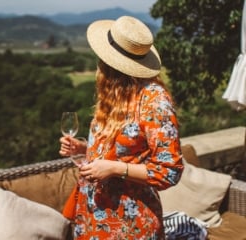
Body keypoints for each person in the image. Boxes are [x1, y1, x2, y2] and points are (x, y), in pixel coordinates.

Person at [59, 15, 184, 240]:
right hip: (93, 215)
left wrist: (114, 169)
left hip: (129, 224)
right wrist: (82, 148)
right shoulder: (113, 92)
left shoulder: (154, 100)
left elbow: (170, 170)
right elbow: (122, 150)